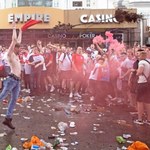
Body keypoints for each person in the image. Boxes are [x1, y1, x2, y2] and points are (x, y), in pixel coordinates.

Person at [0, 22, 22, 129]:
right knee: (2, 96)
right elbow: (14, 40)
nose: (19, 49)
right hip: (11, 80)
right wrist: (14, 28)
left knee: (14, 100)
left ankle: (8, 119)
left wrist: (21, 31)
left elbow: (18, 41)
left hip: (17, 81)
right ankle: (7, 119)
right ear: (14, 48)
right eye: (18, 48)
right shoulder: (9, 55)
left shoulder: (17, 55)